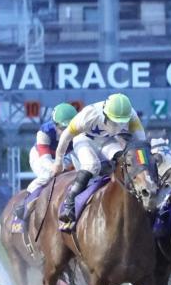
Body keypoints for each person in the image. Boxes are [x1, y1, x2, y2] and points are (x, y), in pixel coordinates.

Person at [51, 93, 147, 225]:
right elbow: (66, 136)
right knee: (91, 165)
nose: (118, 126)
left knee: (122, 159)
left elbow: (141, 143)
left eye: (122, 122)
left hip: (106, 140)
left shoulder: (132, 117)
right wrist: (58, 161)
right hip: (84, 139)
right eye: (114, 121)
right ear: (105, 114)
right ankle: (69, 204)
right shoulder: (89, 115)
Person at [12, 103, 78, 223]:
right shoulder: (45, 131)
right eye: (62, 128)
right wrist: (55, 168)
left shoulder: (80, 130)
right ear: (54, 124)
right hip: (40, 156)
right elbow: (45, 158)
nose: (66, 132)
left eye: (69, 128)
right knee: (48, 175)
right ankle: (24, 203)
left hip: (64, 156)